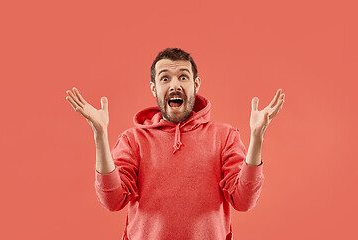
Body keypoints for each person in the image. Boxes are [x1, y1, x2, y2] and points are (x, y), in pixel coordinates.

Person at [65, 48, 285, 240]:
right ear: (154, 89)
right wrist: (100, 134)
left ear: (195, 84)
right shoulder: (133, 140)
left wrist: (257, 137)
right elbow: (112, 200)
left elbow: (244, 201)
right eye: (165, 78)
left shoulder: (225, 136)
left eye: (183, 77)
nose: (174, 85)